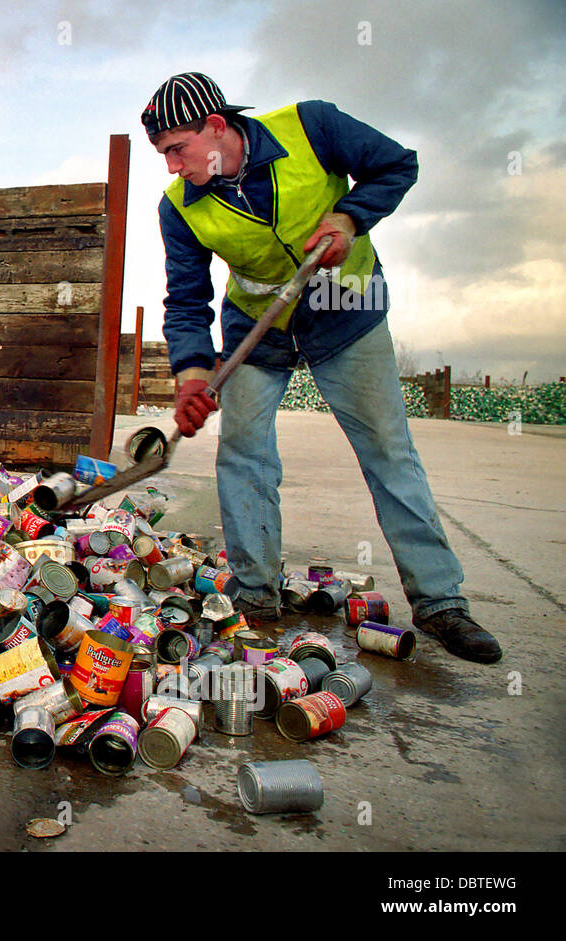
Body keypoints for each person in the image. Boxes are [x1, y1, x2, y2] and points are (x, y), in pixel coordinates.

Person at [142, 72, 501, 663]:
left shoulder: (312, 127)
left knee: (388, 448)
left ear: (215, 127)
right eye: (163, 155)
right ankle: (255, 593)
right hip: (259, 329)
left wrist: (351, 217)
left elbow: (397, 165)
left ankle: (439, 602)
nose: (173, 166)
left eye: (176, 149)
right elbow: (186, 300)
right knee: (243, 451)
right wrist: (192, 377)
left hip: (344, 311)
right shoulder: (180, 206)